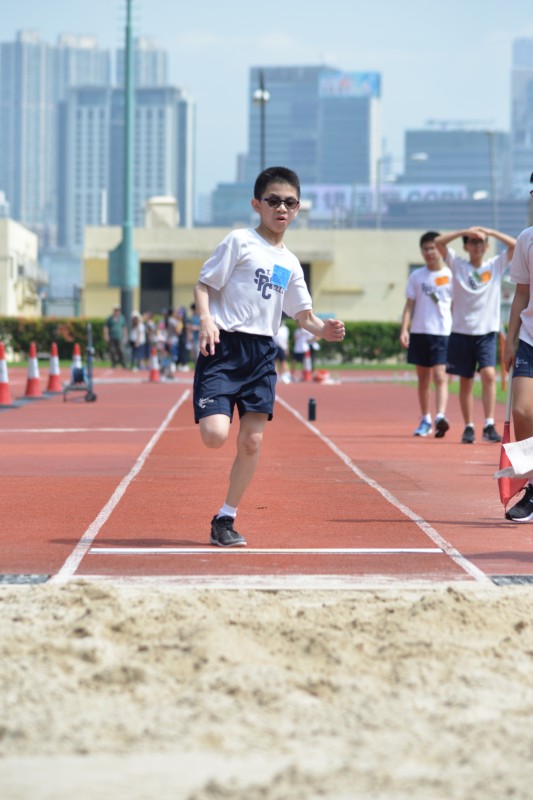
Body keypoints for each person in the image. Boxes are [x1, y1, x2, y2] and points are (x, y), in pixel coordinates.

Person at [193, 165, 345, 547]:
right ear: (257, 204)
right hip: (224, 348)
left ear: (297, 209)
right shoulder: (239, 242)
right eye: (274, 201)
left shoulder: (290, 263)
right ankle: (213, 403)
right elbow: (204, 284)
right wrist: (206, 322)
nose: (281, 208)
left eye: (290, 203)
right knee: (214, 436)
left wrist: (323, 329)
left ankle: (225, 518)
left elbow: (303, 315)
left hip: (262, 353)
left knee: (252, 442)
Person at [435, 225, 516, 444]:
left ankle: (489, 423)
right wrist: (466, 230)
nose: (477, 245)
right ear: (466, 246)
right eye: (472, 242)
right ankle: (469, 426)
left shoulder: (495, 265)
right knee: (466, 381)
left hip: (486, 332)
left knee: (489, 375)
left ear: (487, 246)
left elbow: (516, 246)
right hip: (461, 331)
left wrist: (490, 232)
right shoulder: (457, 264)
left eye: (480, 242)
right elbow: (439, 242)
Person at [400, 231, 453, 438]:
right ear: (421, 251)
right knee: (423, 379)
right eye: (426, 249)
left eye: (433, 248)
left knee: (440, 376)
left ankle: (440, 416)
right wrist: (404, 329)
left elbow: (456, 307)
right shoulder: (416, 276)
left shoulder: (450, 275)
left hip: (442, 333)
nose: (429, 252)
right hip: (420, 332)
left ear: (440, 250)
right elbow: (409, 306)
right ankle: (426, 419)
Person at [503, 180, 533, 521]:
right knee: (523, 412)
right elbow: (522, 294)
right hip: (529, 337)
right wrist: (511, 340)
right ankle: (532, 487)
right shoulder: (527, 238)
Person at [273, 316, 292, 383]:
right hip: (275, 346)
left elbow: (286, 340)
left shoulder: (285, 329)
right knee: (275, 362)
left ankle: (286, 374)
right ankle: (277, 375)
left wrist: (287, 348)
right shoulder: (273, 327)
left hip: (282, 347)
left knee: (283, 361)